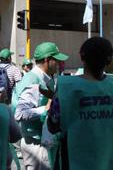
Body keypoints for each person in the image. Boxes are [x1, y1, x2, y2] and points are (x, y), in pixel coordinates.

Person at [47, 37, 113, 170]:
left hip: (74, 160)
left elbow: (53, 126)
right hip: (112, 160)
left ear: (82, 57)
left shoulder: (66, 87)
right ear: (109, 59)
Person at [14, 42, 68, 170]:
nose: (60, 64)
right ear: (47, 60)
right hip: (36, 145)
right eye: (56, 60)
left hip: (45, 141)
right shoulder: (32, 80)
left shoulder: (48, 77)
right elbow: (20, 113)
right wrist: (45, 109)